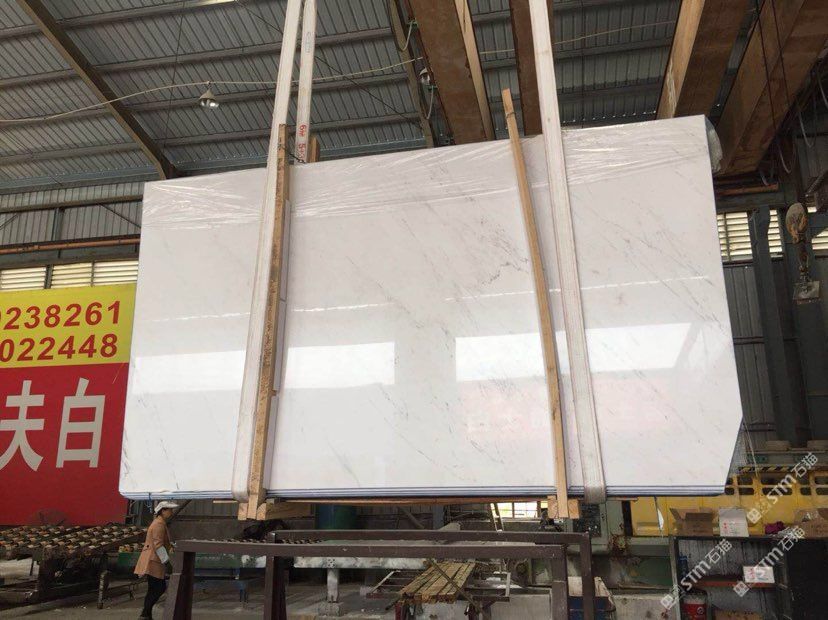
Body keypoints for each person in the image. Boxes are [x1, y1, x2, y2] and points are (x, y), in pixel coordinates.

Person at [134, 501, 179, 620]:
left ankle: (146, 615)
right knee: (159, 588)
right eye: (169, 510)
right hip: (153, 560)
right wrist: (166, 562)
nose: (171, 512)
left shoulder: (159, 523)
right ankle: (145, 614)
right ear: (163, 511)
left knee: (153, 588)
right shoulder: (159, 524)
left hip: (153, 559)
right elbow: (158, 545)